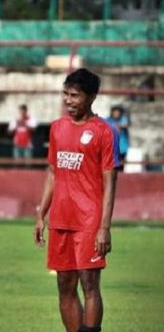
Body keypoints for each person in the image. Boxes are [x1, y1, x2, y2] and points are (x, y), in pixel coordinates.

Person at [34, 68, 118, 332]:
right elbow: (52, 173)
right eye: (65, 94)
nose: (68, 100)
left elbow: (110, 182)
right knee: (64, 286)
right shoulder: (58, 128)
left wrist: (104, 226)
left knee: (89, 284)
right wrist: (41, 214)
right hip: (61, 218)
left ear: (91, 97)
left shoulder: (104, 132)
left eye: (75, 95)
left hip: (89, 220)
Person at [105, 105, 129, 170]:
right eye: (115, 112)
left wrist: (118, 126)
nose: (116, 114)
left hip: (122, 146)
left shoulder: (123, 119)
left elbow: (125, 125)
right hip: (111, 146)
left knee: (121, 164)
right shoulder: (108, 119)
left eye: (117, 112)